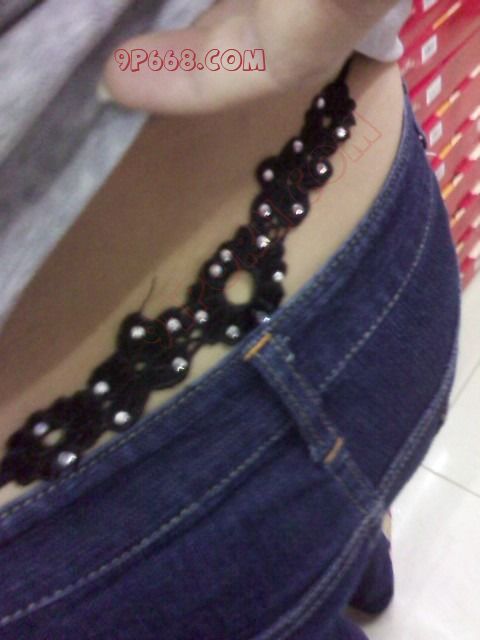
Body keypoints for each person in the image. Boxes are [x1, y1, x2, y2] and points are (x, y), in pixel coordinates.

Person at [0, 1, 460, 638]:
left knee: (314, 568)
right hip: (389, 271)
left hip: (119, 557)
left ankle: (350, 562)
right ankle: (359, 563)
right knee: (343, 530)